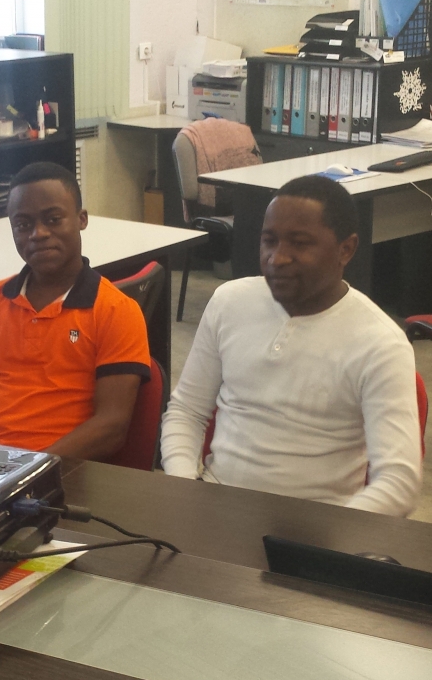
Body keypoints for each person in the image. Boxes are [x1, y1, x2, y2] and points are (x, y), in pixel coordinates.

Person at [161, 175, 421, 517]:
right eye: (269, 241)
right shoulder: (229, 302)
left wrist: (328, 541)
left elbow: (398, 481)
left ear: (346, 249)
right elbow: (186, 412)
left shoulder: (380, 343)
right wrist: (184, 489)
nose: (277, 258)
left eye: (299, 243)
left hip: (318, 527)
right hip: (215, 507)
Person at [0, 162, 150, 459]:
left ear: (82, 219)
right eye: (23, 225)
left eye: (53, 219)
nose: (38, 234)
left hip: (63, 470)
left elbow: (112, 426)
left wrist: (28, 473)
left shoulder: (116, 311)